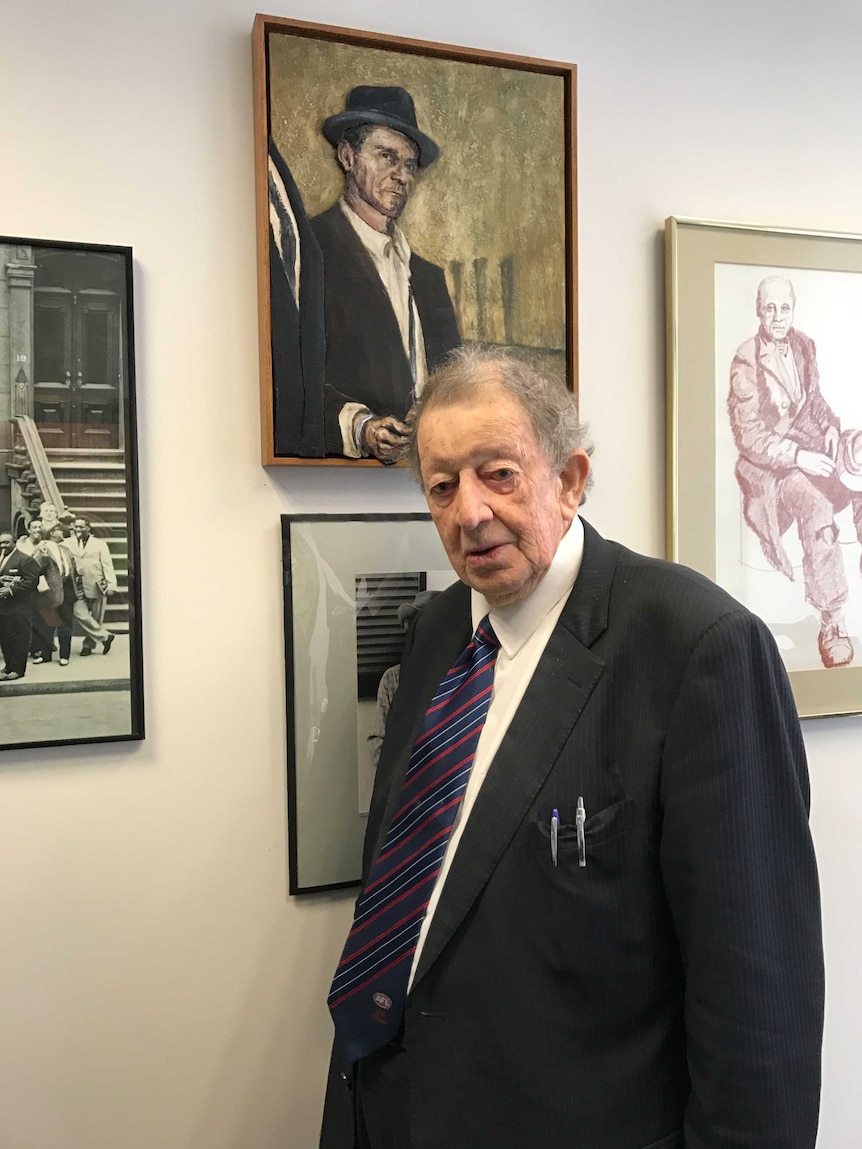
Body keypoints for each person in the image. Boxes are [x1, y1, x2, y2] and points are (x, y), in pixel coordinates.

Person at [321, 349, 824, 1149]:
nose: (470, 512)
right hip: (394, 1108)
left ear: (571, 477)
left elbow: (758, 1011)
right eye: (442, 485)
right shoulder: (435, 635)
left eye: (499, 474)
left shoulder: (700, 651)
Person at [310, 86, 460, 462]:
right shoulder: (312, 252)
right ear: (347, 156)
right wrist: (362, 426)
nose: (402, 176)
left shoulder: (428, 278)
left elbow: (454, 382)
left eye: (409, 165)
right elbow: (289, 383)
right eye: (386, 156)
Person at [728, 275, 862, 669]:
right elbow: (749, 437)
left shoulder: (804, 346)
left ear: (793, 309)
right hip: (772, 470)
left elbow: (816, 403)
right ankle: (832, 621)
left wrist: (834, 431)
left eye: (784, 307)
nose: (778, 316)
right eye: (770, 308)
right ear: (758, 310)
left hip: (813, 450)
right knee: (818, 505)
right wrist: (799, 457)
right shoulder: (746, 360)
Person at [69, 518, 116, 656]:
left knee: (96, 618)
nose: (78, 530)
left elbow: (107, 564)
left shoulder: (100, 544)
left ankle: (88, 646)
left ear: (88, 528)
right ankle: (105, 637)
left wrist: (111, 584)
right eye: (76, 527)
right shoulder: (67, 543)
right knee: (79, 612)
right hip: (77, 585)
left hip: (97, 585)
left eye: (81, 527)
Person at [0, 531, 40, 681]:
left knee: (19, 638)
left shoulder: (25, 560)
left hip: (20, 607)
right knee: (5, 638)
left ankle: (18, 670)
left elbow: (31, 581)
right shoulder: (2, 558)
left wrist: (11, 590)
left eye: (6, 542)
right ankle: (8, 666)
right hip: (3, 607)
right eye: (1, 543)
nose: (3, 546)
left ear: (14, 542)